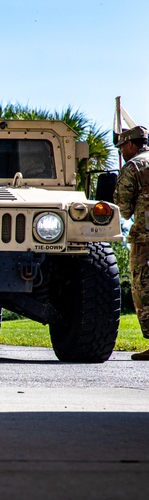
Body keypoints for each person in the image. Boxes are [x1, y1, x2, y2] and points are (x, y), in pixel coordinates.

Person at [114, 125, 149, 360]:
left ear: (130, 144)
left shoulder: (134, 166)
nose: (121, 152)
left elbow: (122, 209)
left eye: (122, 147)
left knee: (143, 286)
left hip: (145, 239)